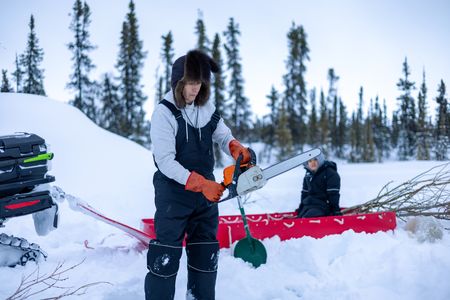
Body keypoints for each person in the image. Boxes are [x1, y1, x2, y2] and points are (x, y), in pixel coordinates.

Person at [145, 49, 251, 300]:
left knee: (205, 255)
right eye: (190, 82)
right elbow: (165, 161)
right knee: (165, 258)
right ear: (178, 82)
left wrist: (236, 148)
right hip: (174, 195)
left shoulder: (206, 109)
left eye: (199, 82)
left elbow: (223, 135)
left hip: (204, 198)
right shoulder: (164, 113)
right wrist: (200, 183)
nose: (195, 88)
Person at [296, 153, 342, 218]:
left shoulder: (330, 173)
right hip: (309, 205)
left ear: (320, 160)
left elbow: (333, 194)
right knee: (299, 218)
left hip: (323, 206)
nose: (312, 163)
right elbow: (305, 193)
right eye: (310, 161)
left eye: (315, 160)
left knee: (306, 219)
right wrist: (301, 207)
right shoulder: (308, 174)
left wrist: (335, 210)